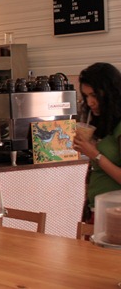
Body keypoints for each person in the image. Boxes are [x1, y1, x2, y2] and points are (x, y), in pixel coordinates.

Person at [72, 62, 121, 223]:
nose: (90, 102)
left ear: (111, 93)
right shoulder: (105, 122)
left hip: (115, 213)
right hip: (96, 209)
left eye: (94, 95)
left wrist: (95, 154)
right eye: (86, 96)